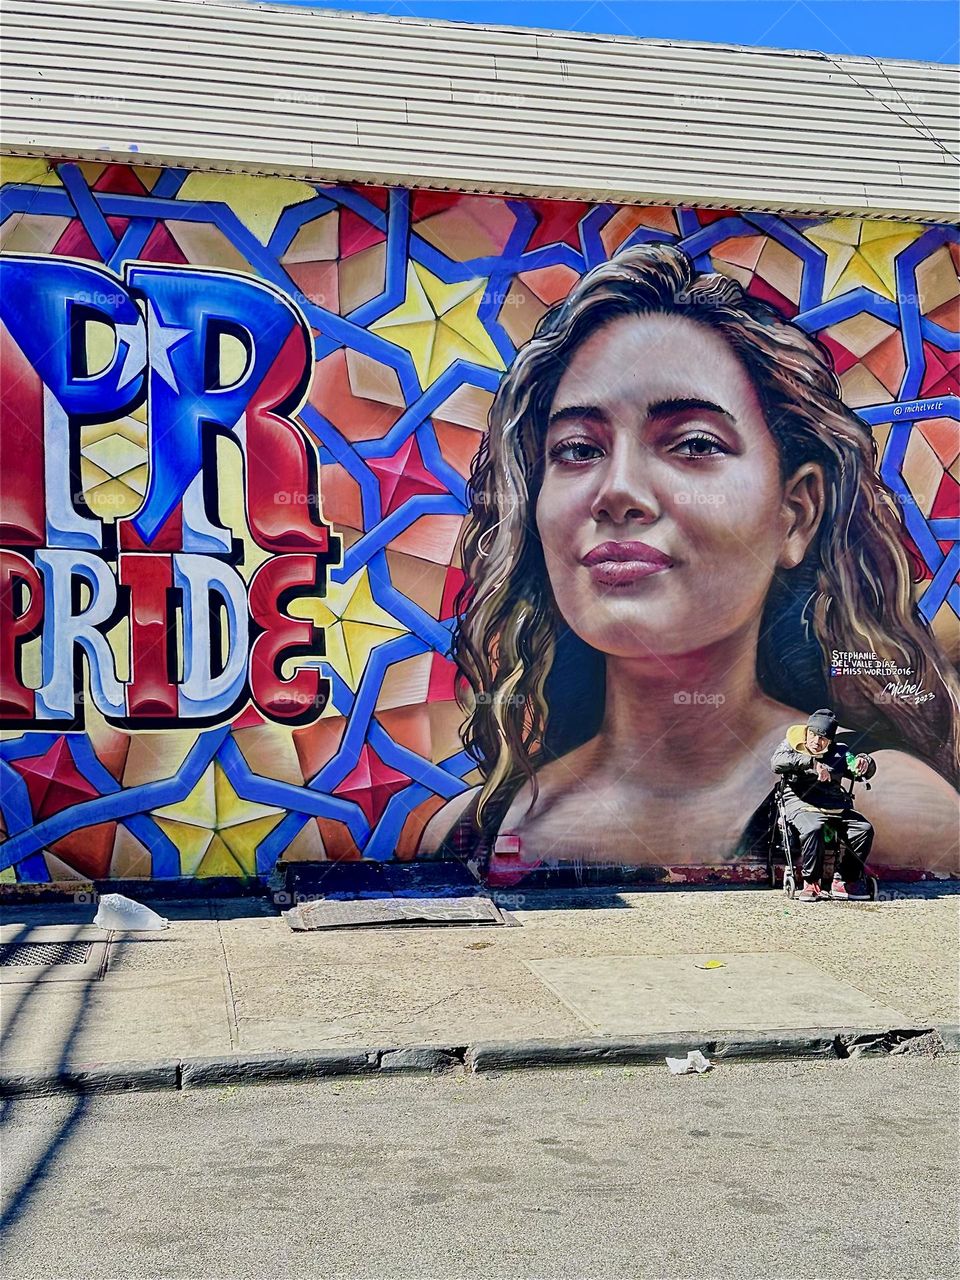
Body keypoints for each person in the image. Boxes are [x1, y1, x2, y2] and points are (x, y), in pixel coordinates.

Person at [418, 243, 960, 880]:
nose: (617, 490)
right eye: (576, 449)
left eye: (695, 444)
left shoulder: (878, 811)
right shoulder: (475, 828)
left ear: (796, 515)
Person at [771, 707, 876, 902]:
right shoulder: (791, 744)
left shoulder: (840, 752)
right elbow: (776, 763)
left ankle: (844, 879)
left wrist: (865, 762)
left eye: (823, 739)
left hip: (835, 804)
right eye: (813, 735)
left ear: (830, 740)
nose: (817, 742)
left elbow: (861, 771)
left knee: (864, 829)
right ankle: (811, 882)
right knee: (814, 828)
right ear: (807, 732)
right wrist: (811, 763)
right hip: (801, 803)